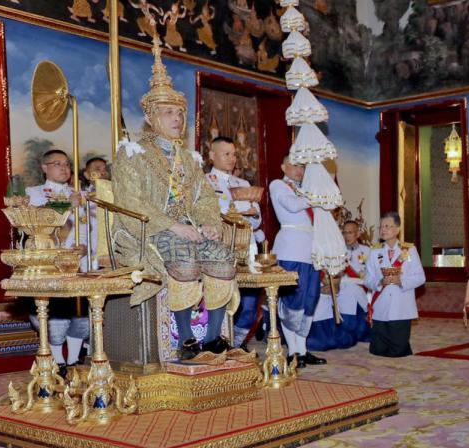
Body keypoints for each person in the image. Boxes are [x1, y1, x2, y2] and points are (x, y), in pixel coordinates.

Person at [111, 36, 236, 360]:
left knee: (221, 255)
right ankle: (184, 339)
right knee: (184, 257)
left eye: (179, 112)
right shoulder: (132, 152)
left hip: (190, 227)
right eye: (167, 112)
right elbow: (129, 202)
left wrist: (210, 224)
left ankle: (211, 339)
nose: (177, 119)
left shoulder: (190, 159)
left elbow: (204, 199)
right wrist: (173, 227)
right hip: (149, 229)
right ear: (151, 118)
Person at [26, 149, 89, 375]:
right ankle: (58, 362)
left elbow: (89, 228)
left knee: (82, 317)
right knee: (56, 318)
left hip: (78, 263)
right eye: (57, 163)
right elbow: (35, 221)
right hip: (49, 264)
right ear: (44, 167)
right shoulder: (33, 193)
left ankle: (73, 362)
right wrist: (64, 206)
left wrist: (86, 248)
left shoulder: (80, 194)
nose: (64, 168)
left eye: (67, 164)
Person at [269, 156, 328, 368]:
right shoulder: (278, 185)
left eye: (302, 166)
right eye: (294, 165)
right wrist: (317, 196)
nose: (299, 170)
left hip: (311, 249)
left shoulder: (305, 188)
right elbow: (293, 206)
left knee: (310, 299)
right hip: (291, 249)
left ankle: (302, 350)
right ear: (283, 166)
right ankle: (292, 350)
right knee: (292, 299)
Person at [207, 136, 263, 349]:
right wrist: (237, 211)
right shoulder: (206, 182)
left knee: (249, 303)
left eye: (234, 154)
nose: (232, 158)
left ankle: (237, 344)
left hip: (246, 247)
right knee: (223, 300)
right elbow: (209, 214)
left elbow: (256, 220)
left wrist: (252, 214)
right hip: (219, 249)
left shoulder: (244, 184)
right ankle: (220, 343)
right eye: (226, 154)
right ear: (212, 155)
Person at [364, 212, 425, 357]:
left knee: (399, 351)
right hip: (381, 305)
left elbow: (420, 277)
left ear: (397, 229)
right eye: (381, 226)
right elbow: (367, 278)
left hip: (401, 305)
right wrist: (379, 282)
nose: (383, 230)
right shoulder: (374, 251)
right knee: (377, 350)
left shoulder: (409, 249)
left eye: (387, 226)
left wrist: (401, 281)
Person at [306, 220, 372, 351]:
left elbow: (370, 274)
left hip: (358, 286)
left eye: (350, 232)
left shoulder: (367, 251)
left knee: (350, 292)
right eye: (344, 232)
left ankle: (351, 328)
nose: (346, 236)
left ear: (358, 233)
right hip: (338, 286)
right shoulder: (336, 251)